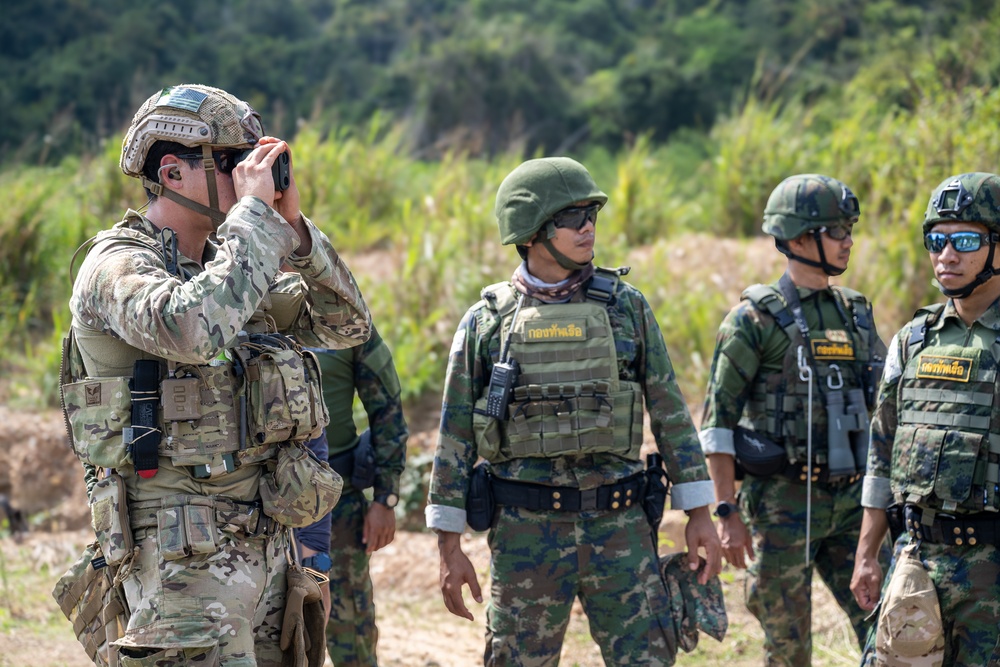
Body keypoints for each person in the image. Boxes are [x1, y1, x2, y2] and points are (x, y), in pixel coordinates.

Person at [60, 84, 371, 666]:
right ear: (173, 173)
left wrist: (295, 230)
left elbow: (347, 325)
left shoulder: (236, 267)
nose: (251, 174)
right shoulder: (116, 265)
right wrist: (253, 220)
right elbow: (193, 328)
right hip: (182, 562)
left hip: (268, 545)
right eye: (232, 162)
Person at [425, 156, 722, 665]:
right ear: (533, 231)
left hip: (621, 528)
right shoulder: (487, 322)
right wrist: (449, 548)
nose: (588, 227)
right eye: (572, 217)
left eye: (592, 214)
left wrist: (699, 514)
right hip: (526, 536)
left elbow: (671, 413)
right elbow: (454, 434)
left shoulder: (626, 307)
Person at [699, 173, 888, 666]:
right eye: (837, 231)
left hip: (851, 504)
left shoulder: (855, 314)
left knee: (892, 628)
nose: (849, 241)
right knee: (788, 647)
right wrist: (726, 513)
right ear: (800, 238)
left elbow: (887, 406)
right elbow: (718, 423)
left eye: (850, 230)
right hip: (783, 505)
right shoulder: (753, 320)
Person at [851, 172, 1000, 666]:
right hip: (917, 563)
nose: (947, 256)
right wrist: (868, 554)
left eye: (965, 241)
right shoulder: (913, 341)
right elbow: (881, 450)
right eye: (937, 240)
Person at [293, 325, 408, 666]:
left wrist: (385, 498)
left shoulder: (340, 317)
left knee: (348, 629)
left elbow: (387, 409)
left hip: (336, 505)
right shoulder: (234, 305)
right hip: (250, 506)